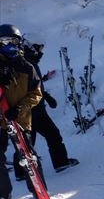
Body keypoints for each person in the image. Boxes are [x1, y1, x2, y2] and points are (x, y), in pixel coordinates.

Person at [20, 32, 79, 177]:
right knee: (52, 135)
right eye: (39, 48)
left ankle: (21, 172)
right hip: (34, 110)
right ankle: (61, 162)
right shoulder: (28, 63)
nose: (41, 51)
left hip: (28, 109)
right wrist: (44, 98)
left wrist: (46, 94)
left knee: (25, 142)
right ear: (32, 47)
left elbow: (34, 85)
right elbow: (30, 88)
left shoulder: (23, 61)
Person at [0, 24, 45, 199]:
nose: (9, 45)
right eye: (4, 42)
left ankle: (38, 189)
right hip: (1, 119)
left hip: (20, 117)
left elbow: (36, 93)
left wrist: (19, 109)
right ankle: (3, 193)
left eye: (13, 41)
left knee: (27, 155)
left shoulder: (27, 67)